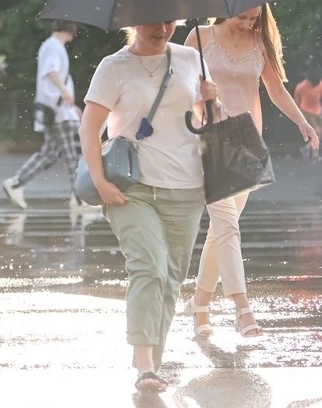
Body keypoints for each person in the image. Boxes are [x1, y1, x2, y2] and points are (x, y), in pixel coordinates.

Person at [80, 20, 218, 393]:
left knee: (171, 277)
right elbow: (89, 127)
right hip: (131, 186)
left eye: (169, 20)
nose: (161, 28)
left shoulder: (191, 58)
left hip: (187, 187)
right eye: (152, 20)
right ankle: (144, 365)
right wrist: (99, 181)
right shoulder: (114, 66)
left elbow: (203, 122)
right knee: (149, 268)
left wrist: (209, 99)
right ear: (133, 21)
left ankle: (152, 363)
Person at [183, 5, 319, 340]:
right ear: (225, 8)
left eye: (254, 19)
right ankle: (243, 310)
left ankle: (200, 305)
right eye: (242, 16)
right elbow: (178, 88)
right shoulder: (199, 37)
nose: (247, 23)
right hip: (207, 139)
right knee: (227, 225)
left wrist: (302, 121)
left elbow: (275, 89)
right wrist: (199, 95)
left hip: (246, 142)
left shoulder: (259, 42)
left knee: (221, 230)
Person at [2, 20, 80, 210]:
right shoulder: (55, 46)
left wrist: (70, 102)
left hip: (56, 108)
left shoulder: (49, 45)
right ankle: (79, 196)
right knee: (71, 154)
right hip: (58, 110)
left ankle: (16, 183)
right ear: (70, 30)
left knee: (49, 153)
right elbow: (52, 71)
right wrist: (65, 92)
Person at [294, 69, 322, 160]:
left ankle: (306, 148)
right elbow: (296, 100)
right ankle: (315, 155)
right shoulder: (301, 87)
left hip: (318, 111)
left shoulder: (321, 84)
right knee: (316, 132)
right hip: (306, 111)